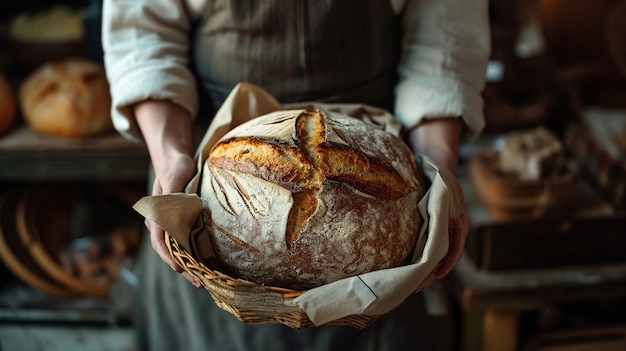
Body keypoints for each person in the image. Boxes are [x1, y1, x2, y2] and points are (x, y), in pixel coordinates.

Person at [102, 1, 490, 350]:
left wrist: (437, 164)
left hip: (384, 152)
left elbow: (444, 36)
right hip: (208, 164)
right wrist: (172, 157)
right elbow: (144, 36)